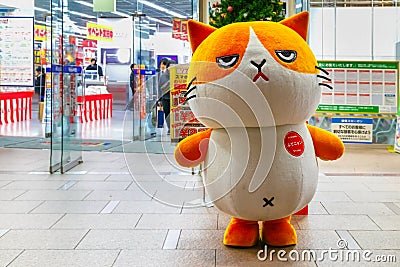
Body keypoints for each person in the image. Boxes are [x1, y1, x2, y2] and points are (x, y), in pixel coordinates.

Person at [158, 58, 171, 133]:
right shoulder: (162, 76)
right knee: (167, 113)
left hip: (174, 98)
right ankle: (169, 128)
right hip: (165, 98)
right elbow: (160, 88)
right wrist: (159, 100)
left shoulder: (176, 75)